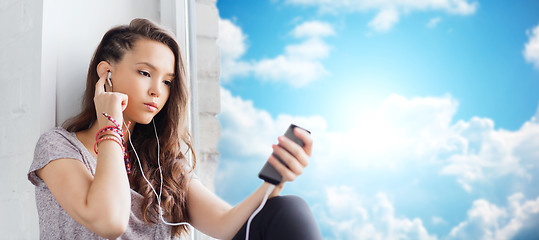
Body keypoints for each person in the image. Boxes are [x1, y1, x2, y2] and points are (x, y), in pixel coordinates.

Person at [27, 18, 321, 240]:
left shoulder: (163, 163)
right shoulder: (59, 147)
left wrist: (275, 181)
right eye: (145, 73)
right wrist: (111, 127)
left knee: (287, 209)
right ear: (107, 74)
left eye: (167, 81)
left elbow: (225, 223)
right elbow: (109, 221)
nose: (157, 91)